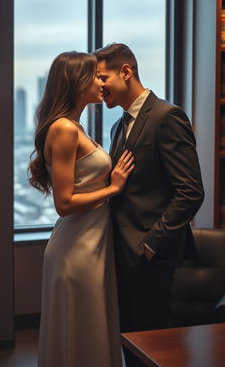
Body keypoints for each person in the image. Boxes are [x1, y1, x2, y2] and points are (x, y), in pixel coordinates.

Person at [94, 43, 205, 367]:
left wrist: (152, 243)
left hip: (149, 258)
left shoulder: (166, 116)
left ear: (126, 71)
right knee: (130, 344)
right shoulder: (118, 126)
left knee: (154, 348)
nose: (100, 88)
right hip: (121, 256)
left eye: (104, 78)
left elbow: (191, 191)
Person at [28, 51, 134, 367]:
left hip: (91, 243)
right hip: (77, 248)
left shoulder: (75, 125)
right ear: (76, 83)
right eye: (94, 76)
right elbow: (64, 204)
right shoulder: (64, 129)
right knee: (83, 333)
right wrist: (113, 189)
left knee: (90, 332)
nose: (101, 82)